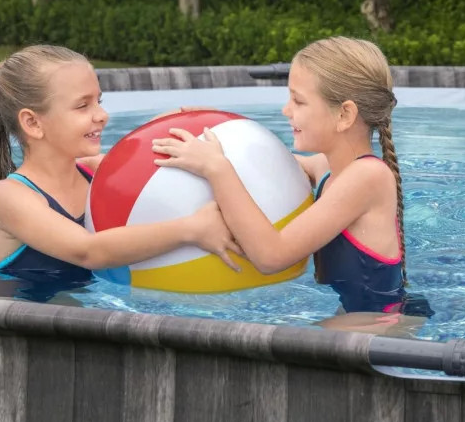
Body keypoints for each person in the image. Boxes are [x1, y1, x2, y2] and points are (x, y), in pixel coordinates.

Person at [152, 37, 431, 332]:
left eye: (298, 101)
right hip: (354, 316)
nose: (286, 111)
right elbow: (263, 161)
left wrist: (216, 168)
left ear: (344, 115)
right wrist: (215, 126)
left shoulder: (368, 177)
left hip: (380, 323)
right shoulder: (329, 168)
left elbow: (271, 256)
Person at [0, 44, 241, 293]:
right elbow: (89, 251)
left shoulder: (93, 171)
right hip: (19, 314)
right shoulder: (9, 197)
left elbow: (139, 160)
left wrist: (184, 122)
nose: (102, 115)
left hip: (81, 307)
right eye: (83, 106)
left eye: (99, 101)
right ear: (33, 123)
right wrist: (191, 229)